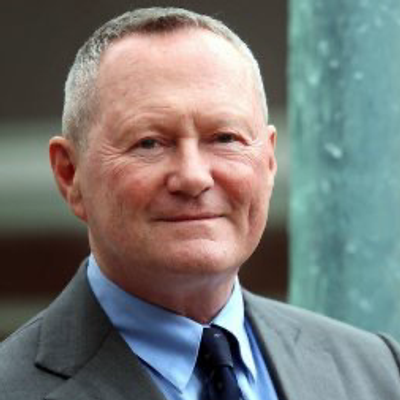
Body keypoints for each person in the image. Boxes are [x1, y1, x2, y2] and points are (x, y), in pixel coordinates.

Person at [1, 7, 400, 400]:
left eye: (225, 138)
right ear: (70, 174)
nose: (193, 177)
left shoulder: (377, 372)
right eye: (149, 143)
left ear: (268, 161)